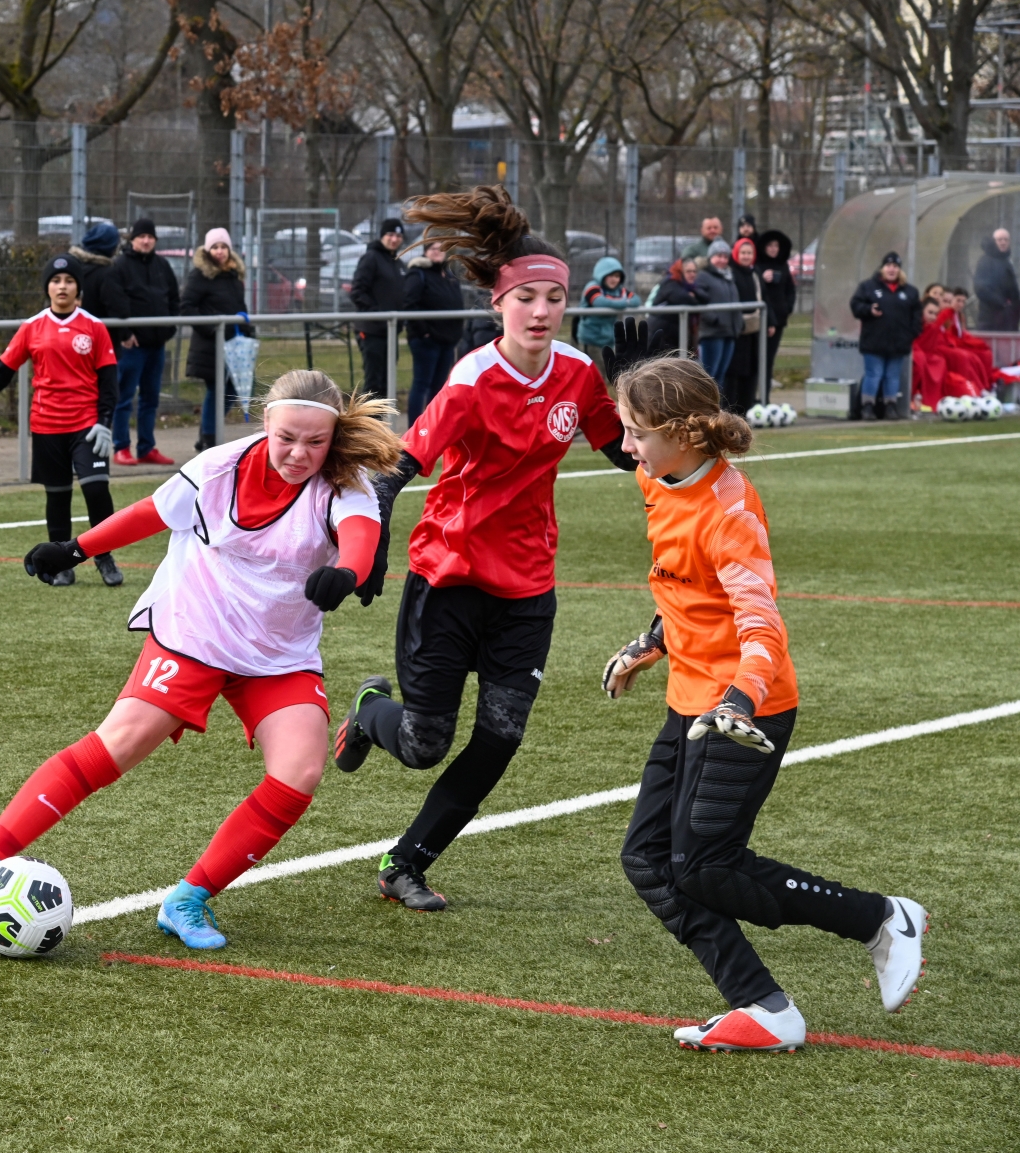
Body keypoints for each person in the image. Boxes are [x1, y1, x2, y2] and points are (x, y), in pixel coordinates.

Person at [0, 371, 405, 948]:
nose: (299, 453)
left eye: (315, 442)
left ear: (333, 438)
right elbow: (153, 513)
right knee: (117, 746)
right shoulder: (219, 468)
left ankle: (187, 900)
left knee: (299, 772)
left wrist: (347, 572)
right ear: (265, 423)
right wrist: (76, 549)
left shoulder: (346, 483)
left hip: (278, 652)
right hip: (194, 630)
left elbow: (358, 538)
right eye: (286, 438)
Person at [604, 354, 928, 1051]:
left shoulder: (731, 515)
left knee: (704, 866)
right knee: (649, 861)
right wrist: (651, 643)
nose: (625, 446)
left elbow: (761, 627)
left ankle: (881, 919)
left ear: (682, 434)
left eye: (636, 431)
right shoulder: (656, 476)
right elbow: (685, 587)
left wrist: (740, 699)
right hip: (691, 702)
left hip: (745, 709)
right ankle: (764, 1007)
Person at [330, 184, 638, 911]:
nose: (540, 311)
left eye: (553, 298)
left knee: (501, 736)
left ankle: (405, 863)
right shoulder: (471, 380)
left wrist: (652, 405)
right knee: (424, 743)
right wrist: (369, 547)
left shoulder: (577, 374)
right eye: (525, 297)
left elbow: (626, 453)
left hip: (527, 588)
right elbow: (397, 469)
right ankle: (370, 709)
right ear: (499, 303)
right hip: (450, 577)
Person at [0, 255, 123, 586]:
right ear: (47, 287)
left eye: (69, 281)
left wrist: (104, 421)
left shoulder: (94, 327)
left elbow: (109, 381)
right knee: (57, 495)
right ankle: (62, 563)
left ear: (78, 287)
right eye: (56, 281)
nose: (62, 286)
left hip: (87, 424)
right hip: (47, 425)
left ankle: (104, 556)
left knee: (97, 490)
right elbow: (1, 372)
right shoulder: (32, 327)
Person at [110, 217, 180, 467]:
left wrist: (169, 328)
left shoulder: (162, 265)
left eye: (150, 237)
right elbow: (115, 301)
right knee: (124, 398)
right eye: (142, 236)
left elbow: (174, 298)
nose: (146, 241)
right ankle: (121, 446)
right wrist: (125, 334)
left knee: (151, 398)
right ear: (133, 239)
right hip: (132, 346)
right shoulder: (120, 266)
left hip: (157, 344)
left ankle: (146, 447)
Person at [181, 228, 254, 451]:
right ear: (207, 250)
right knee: (216, 390)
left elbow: (239, 306)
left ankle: (206, 433)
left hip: (234, 344)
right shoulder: (200, 275)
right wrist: (212, 329)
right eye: (215, 247)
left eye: (223, 247)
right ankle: (209, 439)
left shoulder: (233, 276)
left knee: (230, 390)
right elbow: (187, 307)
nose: (220, 251)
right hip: (210, 345)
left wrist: (247, 329)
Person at [848, 251, 920, 421]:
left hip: (898, 343)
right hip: (874, 341)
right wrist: (868, 310)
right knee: (874, 374)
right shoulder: (868, 287)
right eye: (888, 266)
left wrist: (910, 335)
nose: (891, 269)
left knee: (892, 376)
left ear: (900, 270)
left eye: (895, 266)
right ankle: (867, 406)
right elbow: (855, 305)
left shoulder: (910, 291)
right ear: (882, 268)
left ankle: (890, 406)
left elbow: (917, 317)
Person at [402, 238, 464, 421]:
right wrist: (424, 332)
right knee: (422, 385)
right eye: (433, 248)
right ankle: (415, 428)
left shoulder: (449, 276)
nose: (437, 251)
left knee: (438, 387)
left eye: (441, 248)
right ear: (425, 251)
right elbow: (409, 304)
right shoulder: (418, 274)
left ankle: (432, 427)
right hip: (427, 342)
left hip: (447, 341)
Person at [351, 217, 410, 396]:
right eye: (390, 235)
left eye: (398, 236)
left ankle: (384, 414)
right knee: (374, 382)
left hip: (391, 331)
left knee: (387, 380)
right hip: (372, 330)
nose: (394, 239)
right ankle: (368, 415)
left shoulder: (397, 263)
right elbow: (358, 292)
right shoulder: (371, 258)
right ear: (382, 236)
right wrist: (377, 314)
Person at [576, 255, 641, 371]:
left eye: (617, 276)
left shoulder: (620, 291)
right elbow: (599, 302)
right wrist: (624, 302)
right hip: (591, 340)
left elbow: (636, 300)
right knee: (593, 373)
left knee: (610, 372)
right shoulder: (592, 287)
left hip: (609, 340)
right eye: (610, 275)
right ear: (601, 274)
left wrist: (619, 302)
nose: (614, 279)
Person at [722, 237, 764, 414]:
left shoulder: (754, 274)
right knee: (733, 373)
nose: (746, 256)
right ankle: (731, 411)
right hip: (736, 331)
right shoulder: (731, 274)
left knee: (751, 371)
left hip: (753, 332)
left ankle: (747, 409)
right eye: (743, 253)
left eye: (749, 253)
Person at [692, 240, 740, 392]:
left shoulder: (728, 277)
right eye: (719, 256)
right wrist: (713, 319)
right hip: (712, 333)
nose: (722, 260)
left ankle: (716, 406)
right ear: (710, 257)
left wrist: (738, 323)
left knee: (720, 376)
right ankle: (704, 405)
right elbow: (699, 301)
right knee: (708, 376)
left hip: (729, 332)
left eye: (725, 257)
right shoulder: (703, 276)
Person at [755, 230, 796, 382]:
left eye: (776, 246)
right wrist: (762, 278)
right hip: (761, 319)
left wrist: (787, 308)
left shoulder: (783, 266)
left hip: (779, 318)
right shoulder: (758, 266)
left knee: (770, 358)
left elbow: (790, 289)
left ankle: (766, 390)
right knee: (759, 357)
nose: (773, 249)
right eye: (770, 245)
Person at [70, 221, 130, 324]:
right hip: (100, 330)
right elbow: (120, 310)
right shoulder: (107, 274)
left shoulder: (71, 266)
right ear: (112, 247)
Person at [647, 257, 701, 350]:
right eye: (688, 271)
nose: (692, 274)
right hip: (661, 333)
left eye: (694, 271)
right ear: (680, 272)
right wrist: (692, 297)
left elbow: (704, 297)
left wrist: (694, 294)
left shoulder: (690, 287)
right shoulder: (670, 283)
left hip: (674, 334)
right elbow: (685, 299)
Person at [972, 228, 1020, 332]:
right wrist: (1003, 303)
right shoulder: (985, 261)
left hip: (1007, 319)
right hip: (991, 319)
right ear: (993, 241)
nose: (1003, 242)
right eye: (1000, 239)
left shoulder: (1007, 261)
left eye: (1006, 240)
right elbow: (980, 288)